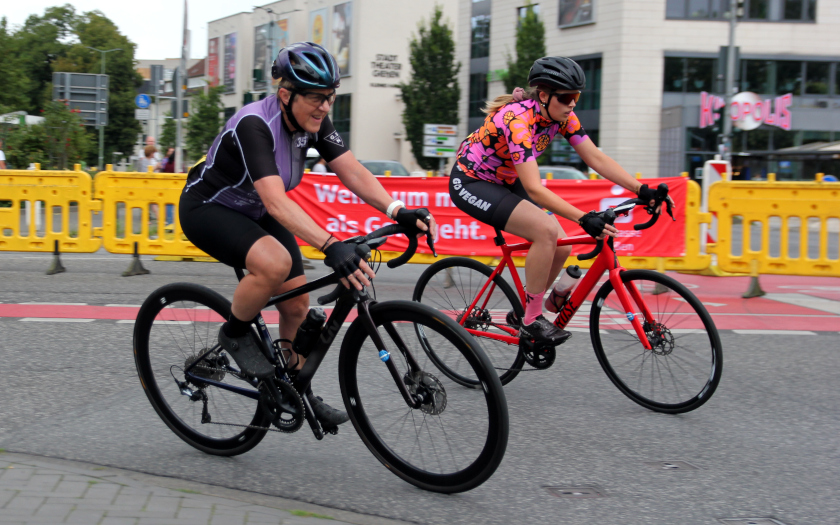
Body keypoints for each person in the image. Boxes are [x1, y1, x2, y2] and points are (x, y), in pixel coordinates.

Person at [179, 42, 436, 427]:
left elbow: (352, 171)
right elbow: (276, 200)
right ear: (286, 94)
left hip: (257, 210)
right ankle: (234, 335)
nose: (325, 107)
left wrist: (396, 210)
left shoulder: (312, 122)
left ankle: (296, 390)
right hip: (209, 208)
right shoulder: (255, 124)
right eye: (316, 98)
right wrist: (331, 246)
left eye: (330, 98)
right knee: (274, 264)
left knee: (296, 306)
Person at [449, 56, 672, 346]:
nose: (572, 104)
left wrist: (642, 190)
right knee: (546, 231)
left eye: (576, 97)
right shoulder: (517, 121)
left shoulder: (562, 116)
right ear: (544, 95)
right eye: (567, 97)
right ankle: (531, 320)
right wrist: (584, 217)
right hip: (472, 181)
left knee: (561, 246)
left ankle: (522, 313)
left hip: (505, 179)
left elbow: (596, 157)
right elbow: (535, 188)